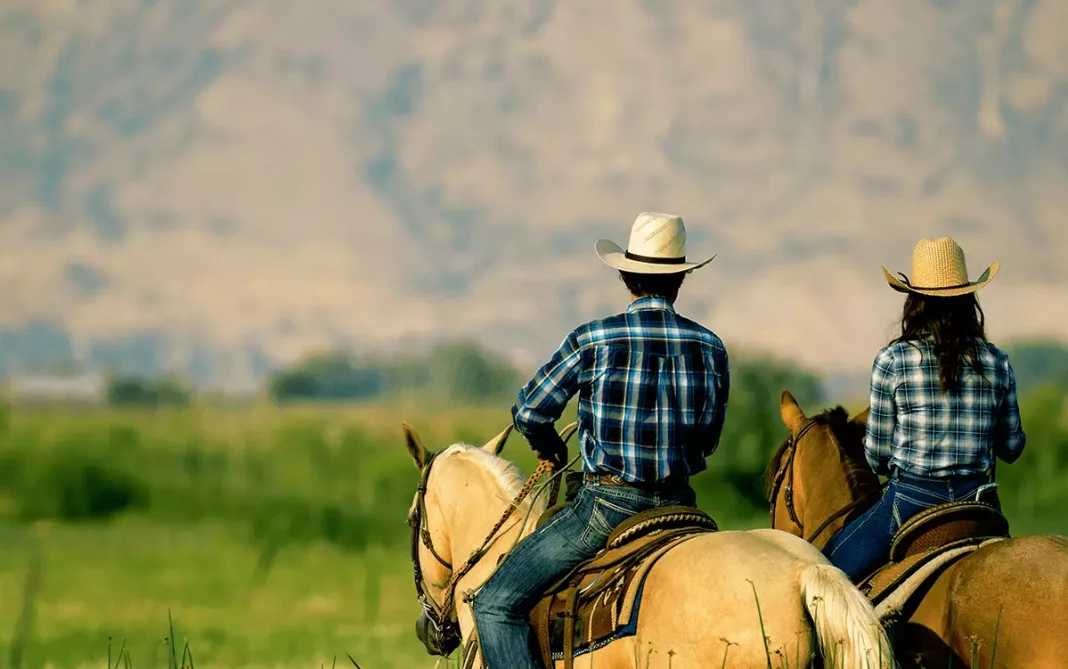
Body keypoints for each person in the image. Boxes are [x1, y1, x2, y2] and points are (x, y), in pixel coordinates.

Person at [469, 212, 731, 669]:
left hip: (606, 507)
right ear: (681, 279)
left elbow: (530, 410)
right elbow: (708, 440)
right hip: (680, 505)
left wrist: (548, 444)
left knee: (495, 604)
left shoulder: (593, 339)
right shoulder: (710, 347)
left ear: (625, 274)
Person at [822, 236, 1027, 583]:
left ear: (914, 301)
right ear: (968, 297)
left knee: (825, 574)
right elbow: (1012, 448)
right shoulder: (997, 361)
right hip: (978, 504)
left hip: (911, 501)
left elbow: (877, 456)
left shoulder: (893, 360)